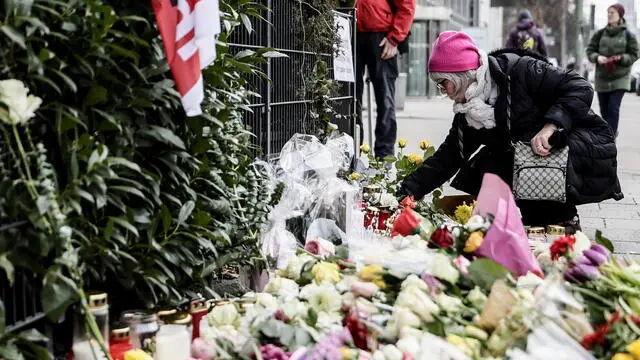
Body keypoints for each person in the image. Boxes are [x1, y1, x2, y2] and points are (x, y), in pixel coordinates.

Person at [398, 31, 623, 231]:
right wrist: (404, 192)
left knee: (518, 157)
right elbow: (448, 157)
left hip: (577, 142)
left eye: (443, 83)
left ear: (461, 76)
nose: (443, 91)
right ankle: (526, 224)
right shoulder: (469, 111)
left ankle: (563, 221)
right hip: (530, 156)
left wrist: (551, 126)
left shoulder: (521, 71)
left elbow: (580, 87)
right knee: (491, 164)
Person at [355, 0, 416, 158]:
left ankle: (384, 157)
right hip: (350, 30)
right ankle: (351, 152)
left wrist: (395, 37)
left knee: (385, 100)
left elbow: (407, 5)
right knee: (349, 99)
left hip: (382, 36)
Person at [586, 3, 639, 136]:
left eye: (612, 13)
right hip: (602, 77)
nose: (609, 15)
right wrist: (597, 58)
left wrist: (621, 58)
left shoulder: (628, 35)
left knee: (613, 108)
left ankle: (610, 136)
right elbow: (590, 51)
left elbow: (635, 54)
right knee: (604, 110)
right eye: (608, 12)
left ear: (620, 15)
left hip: (620, 77)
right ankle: (608, 133)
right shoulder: (600, 33)